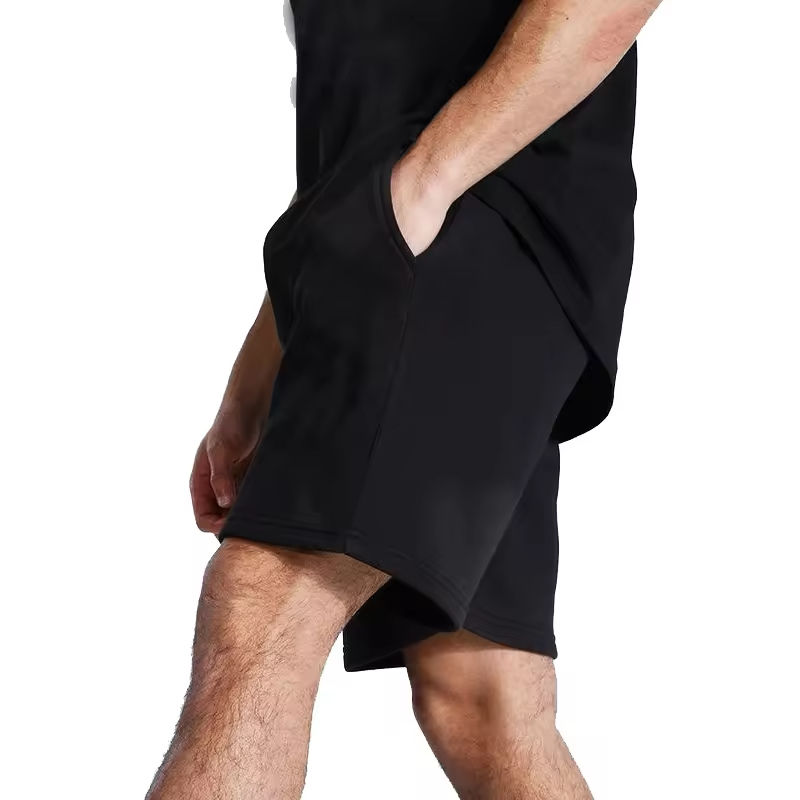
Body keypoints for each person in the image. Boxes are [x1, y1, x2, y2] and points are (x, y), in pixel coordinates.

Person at [147, 0, 661, 797]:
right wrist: (268, 353)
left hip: (479, 217)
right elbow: (368, 121)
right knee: (481, 695)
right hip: (427, 238)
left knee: (266, 597)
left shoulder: (441, 196)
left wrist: (430, 180)